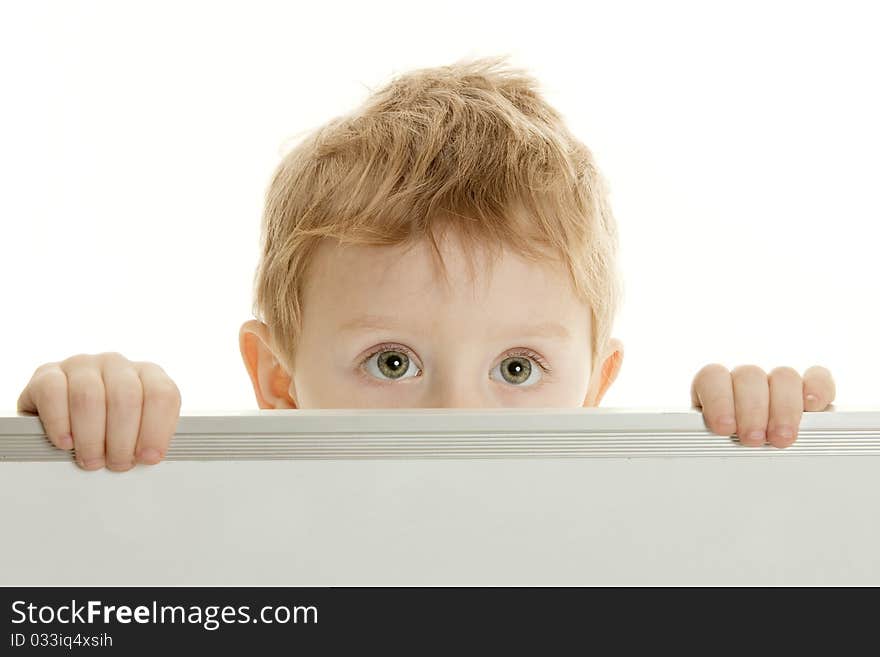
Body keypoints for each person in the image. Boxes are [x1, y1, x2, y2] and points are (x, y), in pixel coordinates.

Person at [15, 55, 836, 472]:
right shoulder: (241, 541)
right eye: (393, 360)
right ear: (276, 382)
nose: (454, 416)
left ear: (596, 386)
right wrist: (82, 432)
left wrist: (757, 454)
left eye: (518, 367)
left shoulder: (616, 529)